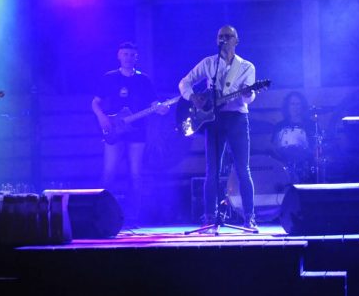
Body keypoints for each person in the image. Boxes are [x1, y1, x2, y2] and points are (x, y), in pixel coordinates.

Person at [178, 24, 261, 229]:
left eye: (228, 36)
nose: (223, 39)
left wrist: (248, 94)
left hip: (237, 119)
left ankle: (249, 217)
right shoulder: (209, 63)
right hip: (213, 120)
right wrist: (193, 97)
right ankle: (209, 217)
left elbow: (248, 99)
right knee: (212, 170)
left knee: (242, 169)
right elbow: (184, 83)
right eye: (220, 36)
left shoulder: (247, 67)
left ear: (236, 40)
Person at [91, 40, 169, 226]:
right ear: (119, 56)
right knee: (109, 172)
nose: (128, 58)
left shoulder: (144, 80)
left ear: (137, 58)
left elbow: (154, 103)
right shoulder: (109, 77)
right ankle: (102, 215)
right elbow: (95, 103)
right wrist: (102, 118)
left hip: (137, 132)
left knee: (136, 174)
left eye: (132, 55)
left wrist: (160, 108)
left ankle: (134, 216)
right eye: (125, 54)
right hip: (114, 130)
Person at [271, 90, 318, 182]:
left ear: (302, 106)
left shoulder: (311, 125)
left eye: (298, 104)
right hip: (284, 164)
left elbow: (316, 146)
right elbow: (274, 147)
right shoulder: (279, 126)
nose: (295, 107)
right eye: (292, 104)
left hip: (307, 164)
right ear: (287, 106)